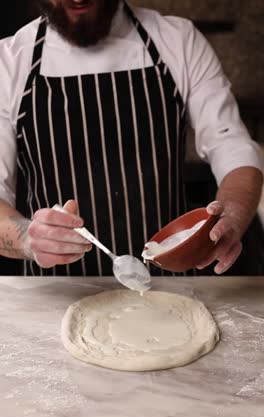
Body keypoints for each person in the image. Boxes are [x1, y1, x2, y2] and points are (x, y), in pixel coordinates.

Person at [0, 0, 263, 277]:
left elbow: (232, 146)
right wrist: (29, 239)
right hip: (56, 297)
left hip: (170, 289)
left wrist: (231, 219)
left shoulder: (178, 41)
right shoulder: (10, 61)